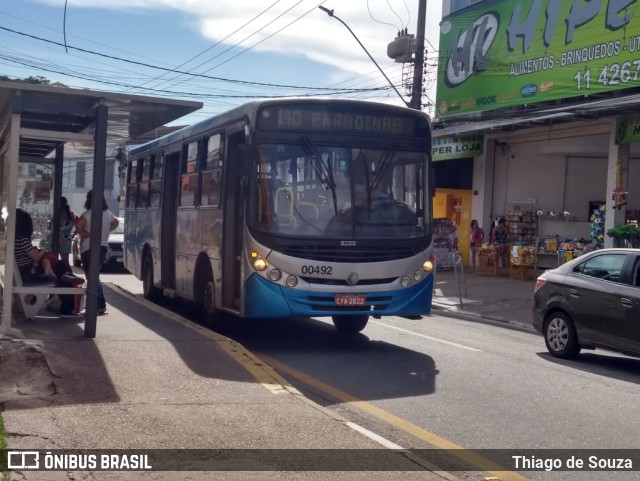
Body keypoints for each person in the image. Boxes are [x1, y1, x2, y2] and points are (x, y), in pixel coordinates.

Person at [14, 209, 84, 315]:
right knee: (61, 268)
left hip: (25, 272)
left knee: (61, 266)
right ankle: (67, 309)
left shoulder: (15, 240)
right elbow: (36, 257)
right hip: (30, 274)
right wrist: (42, 251)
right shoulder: (22, 240)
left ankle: (67, 276)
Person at [75, 191, 118, 316]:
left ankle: (95, 306)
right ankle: (101, 305)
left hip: (89, 247)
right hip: (103, 247)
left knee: (91, 277)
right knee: (95, 276)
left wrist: (84, 234)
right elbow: (116, 222)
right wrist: (106, 231)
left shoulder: (88, 213)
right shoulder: (108, 213)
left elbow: (78, 224)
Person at [59, 200, 75, 265]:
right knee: (65, 260)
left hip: (63, 240)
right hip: (66, 240)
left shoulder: (58, 218)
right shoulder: (71, 217)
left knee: (64, 259)